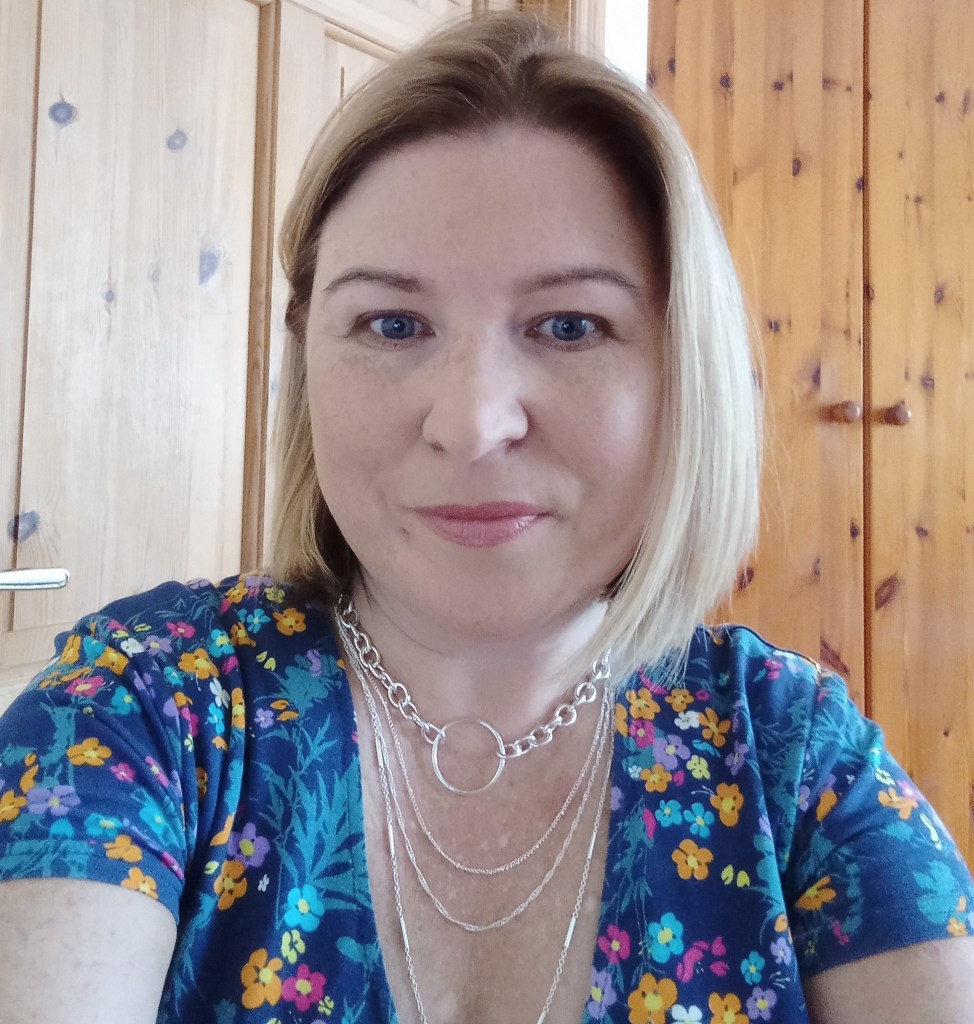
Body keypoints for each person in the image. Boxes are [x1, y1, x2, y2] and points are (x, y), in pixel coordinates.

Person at [0, 11, 972, 1023]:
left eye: (569, 325)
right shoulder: (143, 710)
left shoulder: (794, 762)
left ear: (684, 370)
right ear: (307, 358)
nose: (470, 424)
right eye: (391, 324)